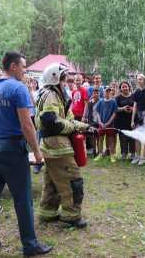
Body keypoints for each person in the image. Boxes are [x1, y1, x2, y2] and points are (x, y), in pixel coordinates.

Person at [0, 52, 51, 258]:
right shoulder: (18, 89)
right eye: (23, 67)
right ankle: (30, 245)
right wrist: (36, 151)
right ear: (13, 66)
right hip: (12, 148)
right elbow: (27, 124)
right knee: (23, 199)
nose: (25, 70)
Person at [35, 63, 93, 229]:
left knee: (53, 181)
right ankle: (72, 216)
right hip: (58, 147)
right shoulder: (52, 95)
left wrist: (85, 127)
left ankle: (48, 212)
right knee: (73, 180)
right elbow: (51, 122)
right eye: (63, 78)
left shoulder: (55, 94)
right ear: (54, 78)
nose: (67, 81)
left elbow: (67, 119)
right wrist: (73, 127)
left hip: (52, 146)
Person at [130, 73, 145, 166]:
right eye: (138, 79)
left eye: (140, 79)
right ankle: (137, 156)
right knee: (137, 137)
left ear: (144, 80)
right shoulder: (136, 92)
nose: (138, 80)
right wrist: (132, 120)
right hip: (137, 118)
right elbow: (135, 106)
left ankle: (144, 157)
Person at [94, 87, 118, 163]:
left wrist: (108, 123)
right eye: (105, 91)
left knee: (111, 140)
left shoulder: (113, 102)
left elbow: (114, 113)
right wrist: (100, 122)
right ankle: (100, 154)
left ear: (111, 92)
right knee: (100, 139)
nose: (106, 93)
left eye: (108, 91)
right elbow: (97, 112)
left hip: (110, 125)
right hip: (101, 124)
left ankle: (112, 155)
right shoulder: (100, 102)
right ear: (103, 93)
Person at [115, 81, 135, 160]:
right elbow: (115, 109)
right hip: (121, 121)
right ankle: (124, 153)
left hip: (131, 120)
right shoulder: (117, 98)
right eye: (123, 87)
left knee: (132, 137)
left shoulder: (134, 96)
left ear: (129, 87)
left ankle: (133, 153)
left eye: (126, 86)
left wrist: (132, 109)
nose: (125, 88)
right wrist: (123, 109)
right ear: (120, 89)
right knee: (122, 137)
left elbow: (137, 107)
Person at [83, 87, 100, 156]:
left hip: (99, 122)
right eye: (94, 93)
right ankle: (94, 150)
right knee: (93, 137)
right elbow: (87, 110)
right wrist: (85, 118)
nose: (95, 94)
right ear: (92, 94)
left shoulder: (101, 102)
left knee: (99, 137)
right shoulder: (90, 102)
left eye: (97, 93)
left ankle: (99, 151)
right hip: (91, 121)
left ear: (99, 94)